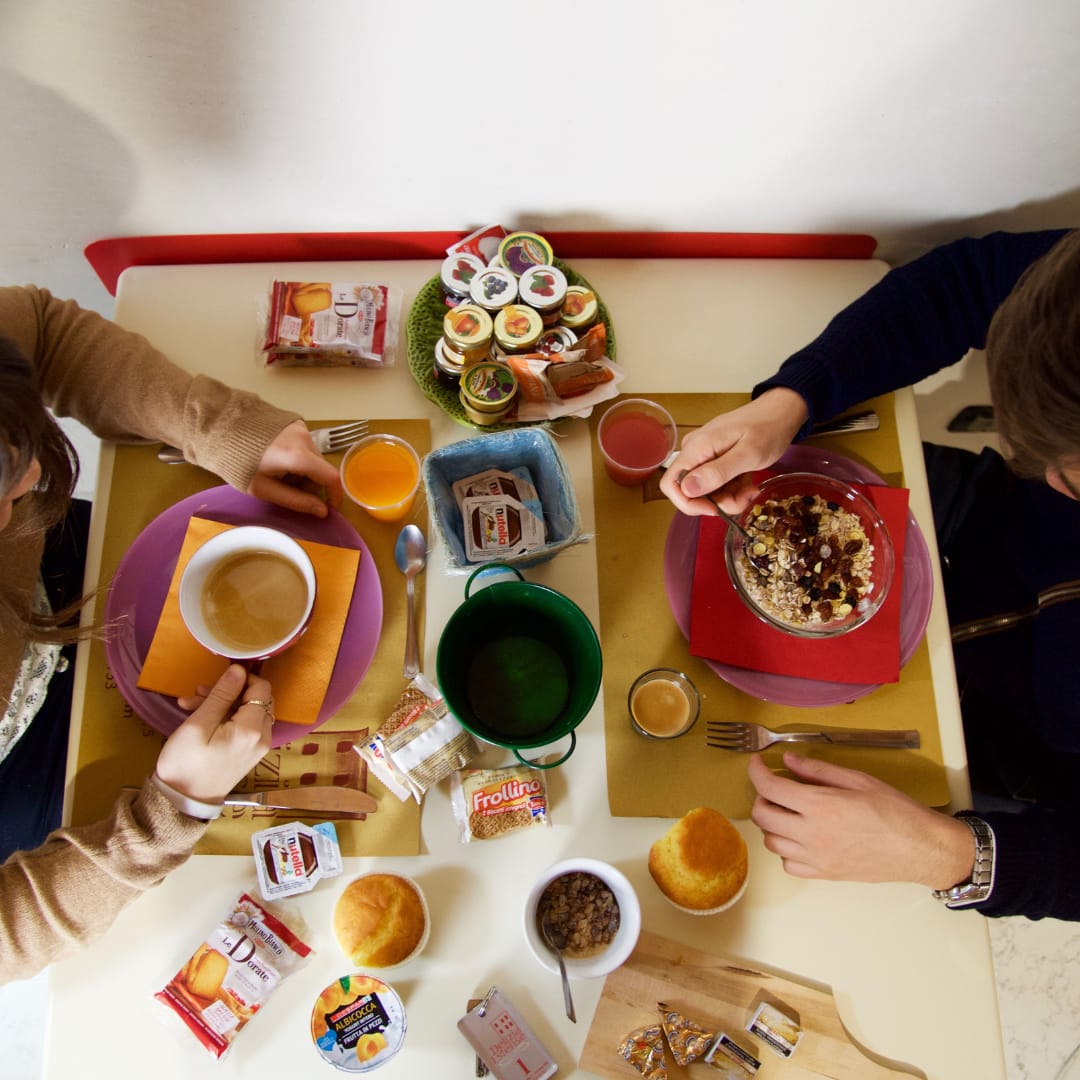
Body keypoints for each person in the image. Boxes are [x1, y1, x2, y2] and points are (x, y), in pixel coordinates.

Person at [660, 228, 1080, 921]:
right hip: (971, 518)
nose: (1052, 480)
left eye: (1068, 473)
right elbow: (968, 281)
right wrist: (791, 400)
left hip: (1005, 750)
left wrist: (953, 856)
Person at [0, 284, 343, 982]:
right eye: (4, 488)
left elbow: (42, 333)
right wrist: (172, 812)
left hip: (55, 584)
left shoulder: (22, 484)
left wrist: (224, 429)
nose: (36, 471)